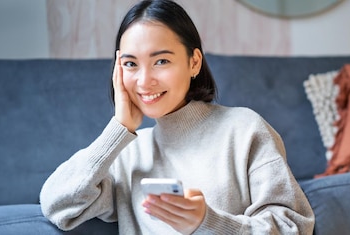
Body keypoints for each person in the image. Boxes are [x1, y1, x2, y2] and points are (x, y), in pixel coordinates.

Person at [39, 0, 315, 234]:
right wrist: (118, 129)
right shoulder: (127, 153)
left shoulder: (244, 129)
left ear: (194, 62)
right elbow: (57, 205)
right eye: (131, 64)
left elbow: (294, 226)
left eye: (161, 61)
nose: (144, 81)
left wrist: (208, 223)